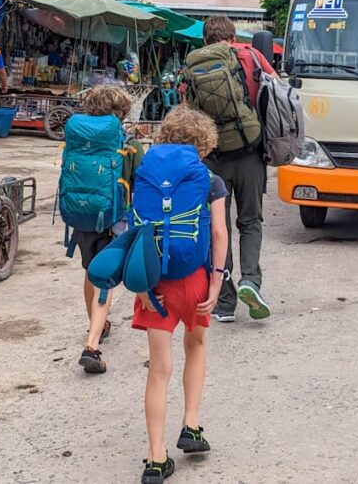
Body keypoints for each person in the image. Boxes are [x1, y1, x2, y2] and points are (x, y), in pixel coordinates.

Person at [133, 106, 228, 483]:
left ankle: (156, 460)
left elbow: (134, 227)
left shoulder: (147, 174)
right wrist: (218, 280)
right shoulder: (209, 179)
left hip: (153, 279)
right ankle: (191, 425)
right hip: (195, 279)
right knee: (197, 346)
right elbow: (219, 234)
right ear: (203, 143)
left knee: (158, 370)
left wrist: (140, 285)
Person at [186, 15, 275, 323]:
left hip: (212, 158)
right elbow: (276, 96)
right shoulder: (252, 56)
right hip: (250, 151)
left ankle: (224, 303)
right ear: (233, 35)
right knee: (250, 221)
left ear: (205, 39)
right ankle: (251, 280)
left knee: (216, 228)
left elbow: (189, 115)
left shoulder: (194, 65)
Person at [70, 86, 144, 375]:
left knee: (90, 270)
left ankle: (97, 325)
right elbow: (141, 180)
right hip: (113, 219)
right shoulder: (129, 145)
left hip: (80, 215)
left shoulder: (78, 141)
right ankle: (91, 345)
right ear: (122, 113)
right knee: (105, 279)